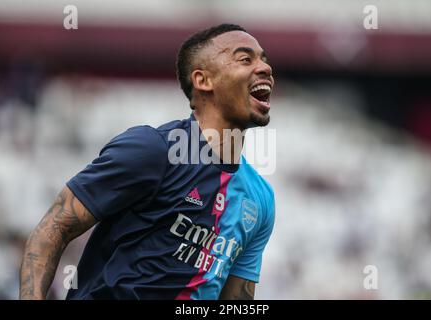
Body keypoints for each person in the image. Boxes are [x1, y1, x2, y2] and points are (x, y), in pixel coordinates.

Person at [20, 23, 275, 300]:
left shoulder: (261, 198)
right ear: (203, 81)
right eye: (245, 59)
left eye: (264, 59)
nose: (264, 68)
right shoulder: (151, 150)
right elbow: (53, 229)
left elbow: (236, 300)